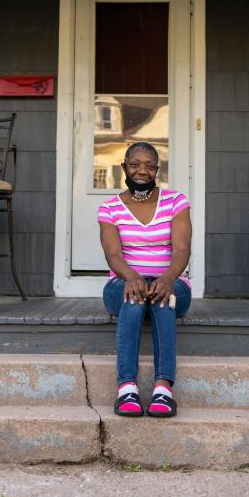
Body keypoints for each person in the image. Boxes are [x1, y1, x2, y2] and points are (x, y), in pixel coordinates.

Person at [97, 142, 192, 418]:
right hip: (123, 283)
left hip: (172, 281)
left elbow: (182, 250)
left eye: (150, 165)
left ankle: (163, 389)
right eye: (135, 164)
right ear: (124, 168)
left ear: (157, 170)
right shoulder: (110, 208)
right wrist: (133, 277)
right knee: (133, 295)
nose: (142, 171)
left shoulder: (176, 201)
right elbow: (113, 255)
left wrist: (166, 278)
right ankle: (127, 387)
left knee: (164, 297)